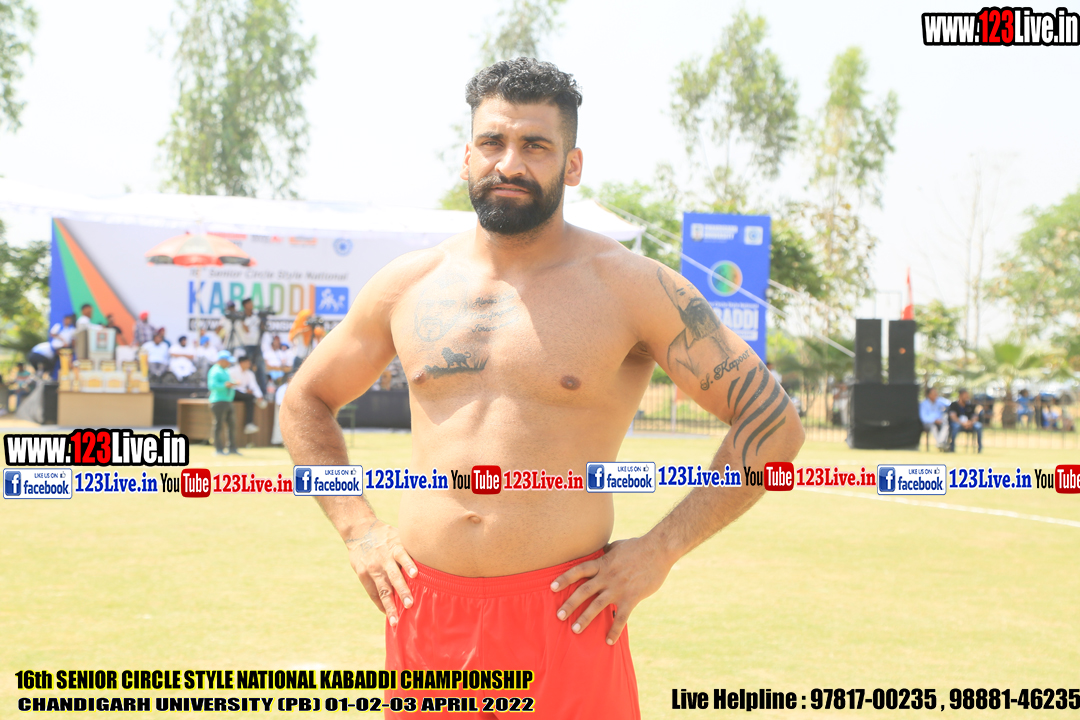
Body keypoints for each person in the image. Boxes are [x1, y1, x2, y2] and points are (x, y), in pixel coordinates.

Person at [280, 58, 804, 719]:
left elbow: (774, 426)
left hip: (566, 615)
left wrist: (660, 550)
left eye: (535, 145)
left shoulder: (630, 285)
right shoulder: (408, 284)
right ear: (466, 157)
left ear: (572, 164)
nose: (510, 163)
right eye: (492, 142)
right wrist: (358, 529)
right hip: (425, 618)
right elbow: (304, 401)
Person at [208, 351, 239, 455]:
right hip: (218, 401)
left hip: (228, 401)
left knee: (231, 425)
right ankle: (218, 449)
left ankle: (232, 448)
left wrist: (233, 383)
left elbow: (228, 382)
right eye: (227, 361)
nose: (229, 363)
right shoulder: (215, 371)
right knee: (218, 426)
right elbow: (212, 386)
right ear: (221, 360)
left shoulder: (225, 370)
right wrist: (226, 385)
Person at [229, 351, 266, 435]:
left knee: (250, 398)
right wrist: (246, 391)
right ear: (241, 363)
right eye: (247, 362)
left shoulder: (249, 373)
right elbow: (231, 386)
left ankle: (249, 424)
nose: (249, 364)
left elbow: (254, 385)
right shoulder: (232, 371)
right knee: (249, 396)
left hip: (242, 395)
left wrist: (259, 396)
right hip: (231, 393)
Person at [948, 387, 983, 452]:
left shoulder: (970, 405)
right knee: (955, 427)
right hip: (958, 424)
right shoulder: (954, 405)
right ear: (960, 396)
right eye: (965, 396)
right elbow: (953, 417)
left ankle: (980, 448)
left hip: (970, 424)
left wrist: (970, 422)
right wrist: (963, 423)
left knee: (979, 426)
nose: (967, 397)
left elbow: (975, 416)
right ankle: (952, 448)